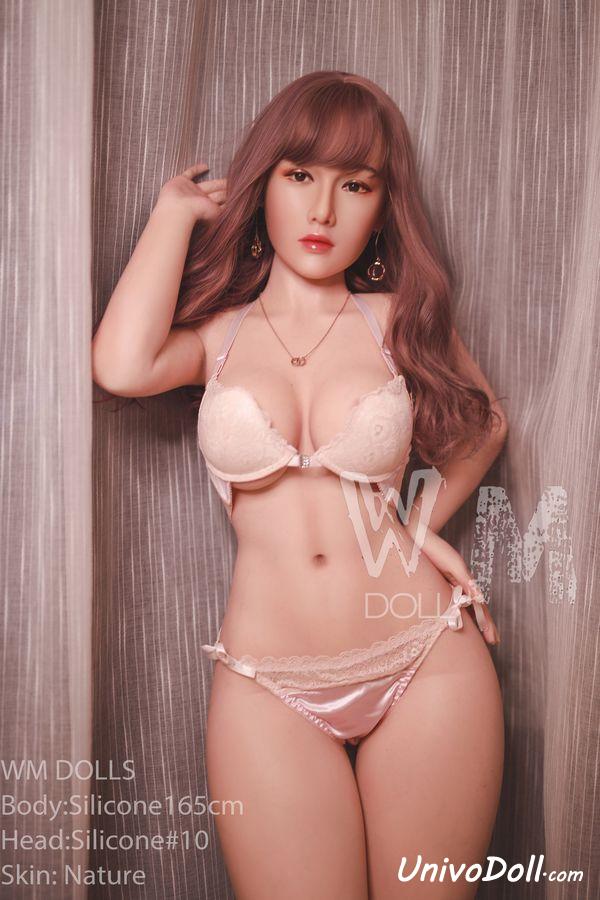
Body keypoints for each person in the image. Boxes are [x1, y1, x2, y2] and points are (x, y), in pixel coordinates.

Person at [92, 71, 507, 899]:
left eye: (356, 185)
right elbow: (121, 365)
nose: (322, 210)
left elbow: (485, 421)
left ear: (382, 207)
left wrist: (418, 524)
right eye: (300, 175)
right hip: (268, 684)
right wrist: (174, 213)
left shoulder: (395, 319)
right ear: (266, 185)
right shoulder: (216, 337)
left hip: (426, 661)